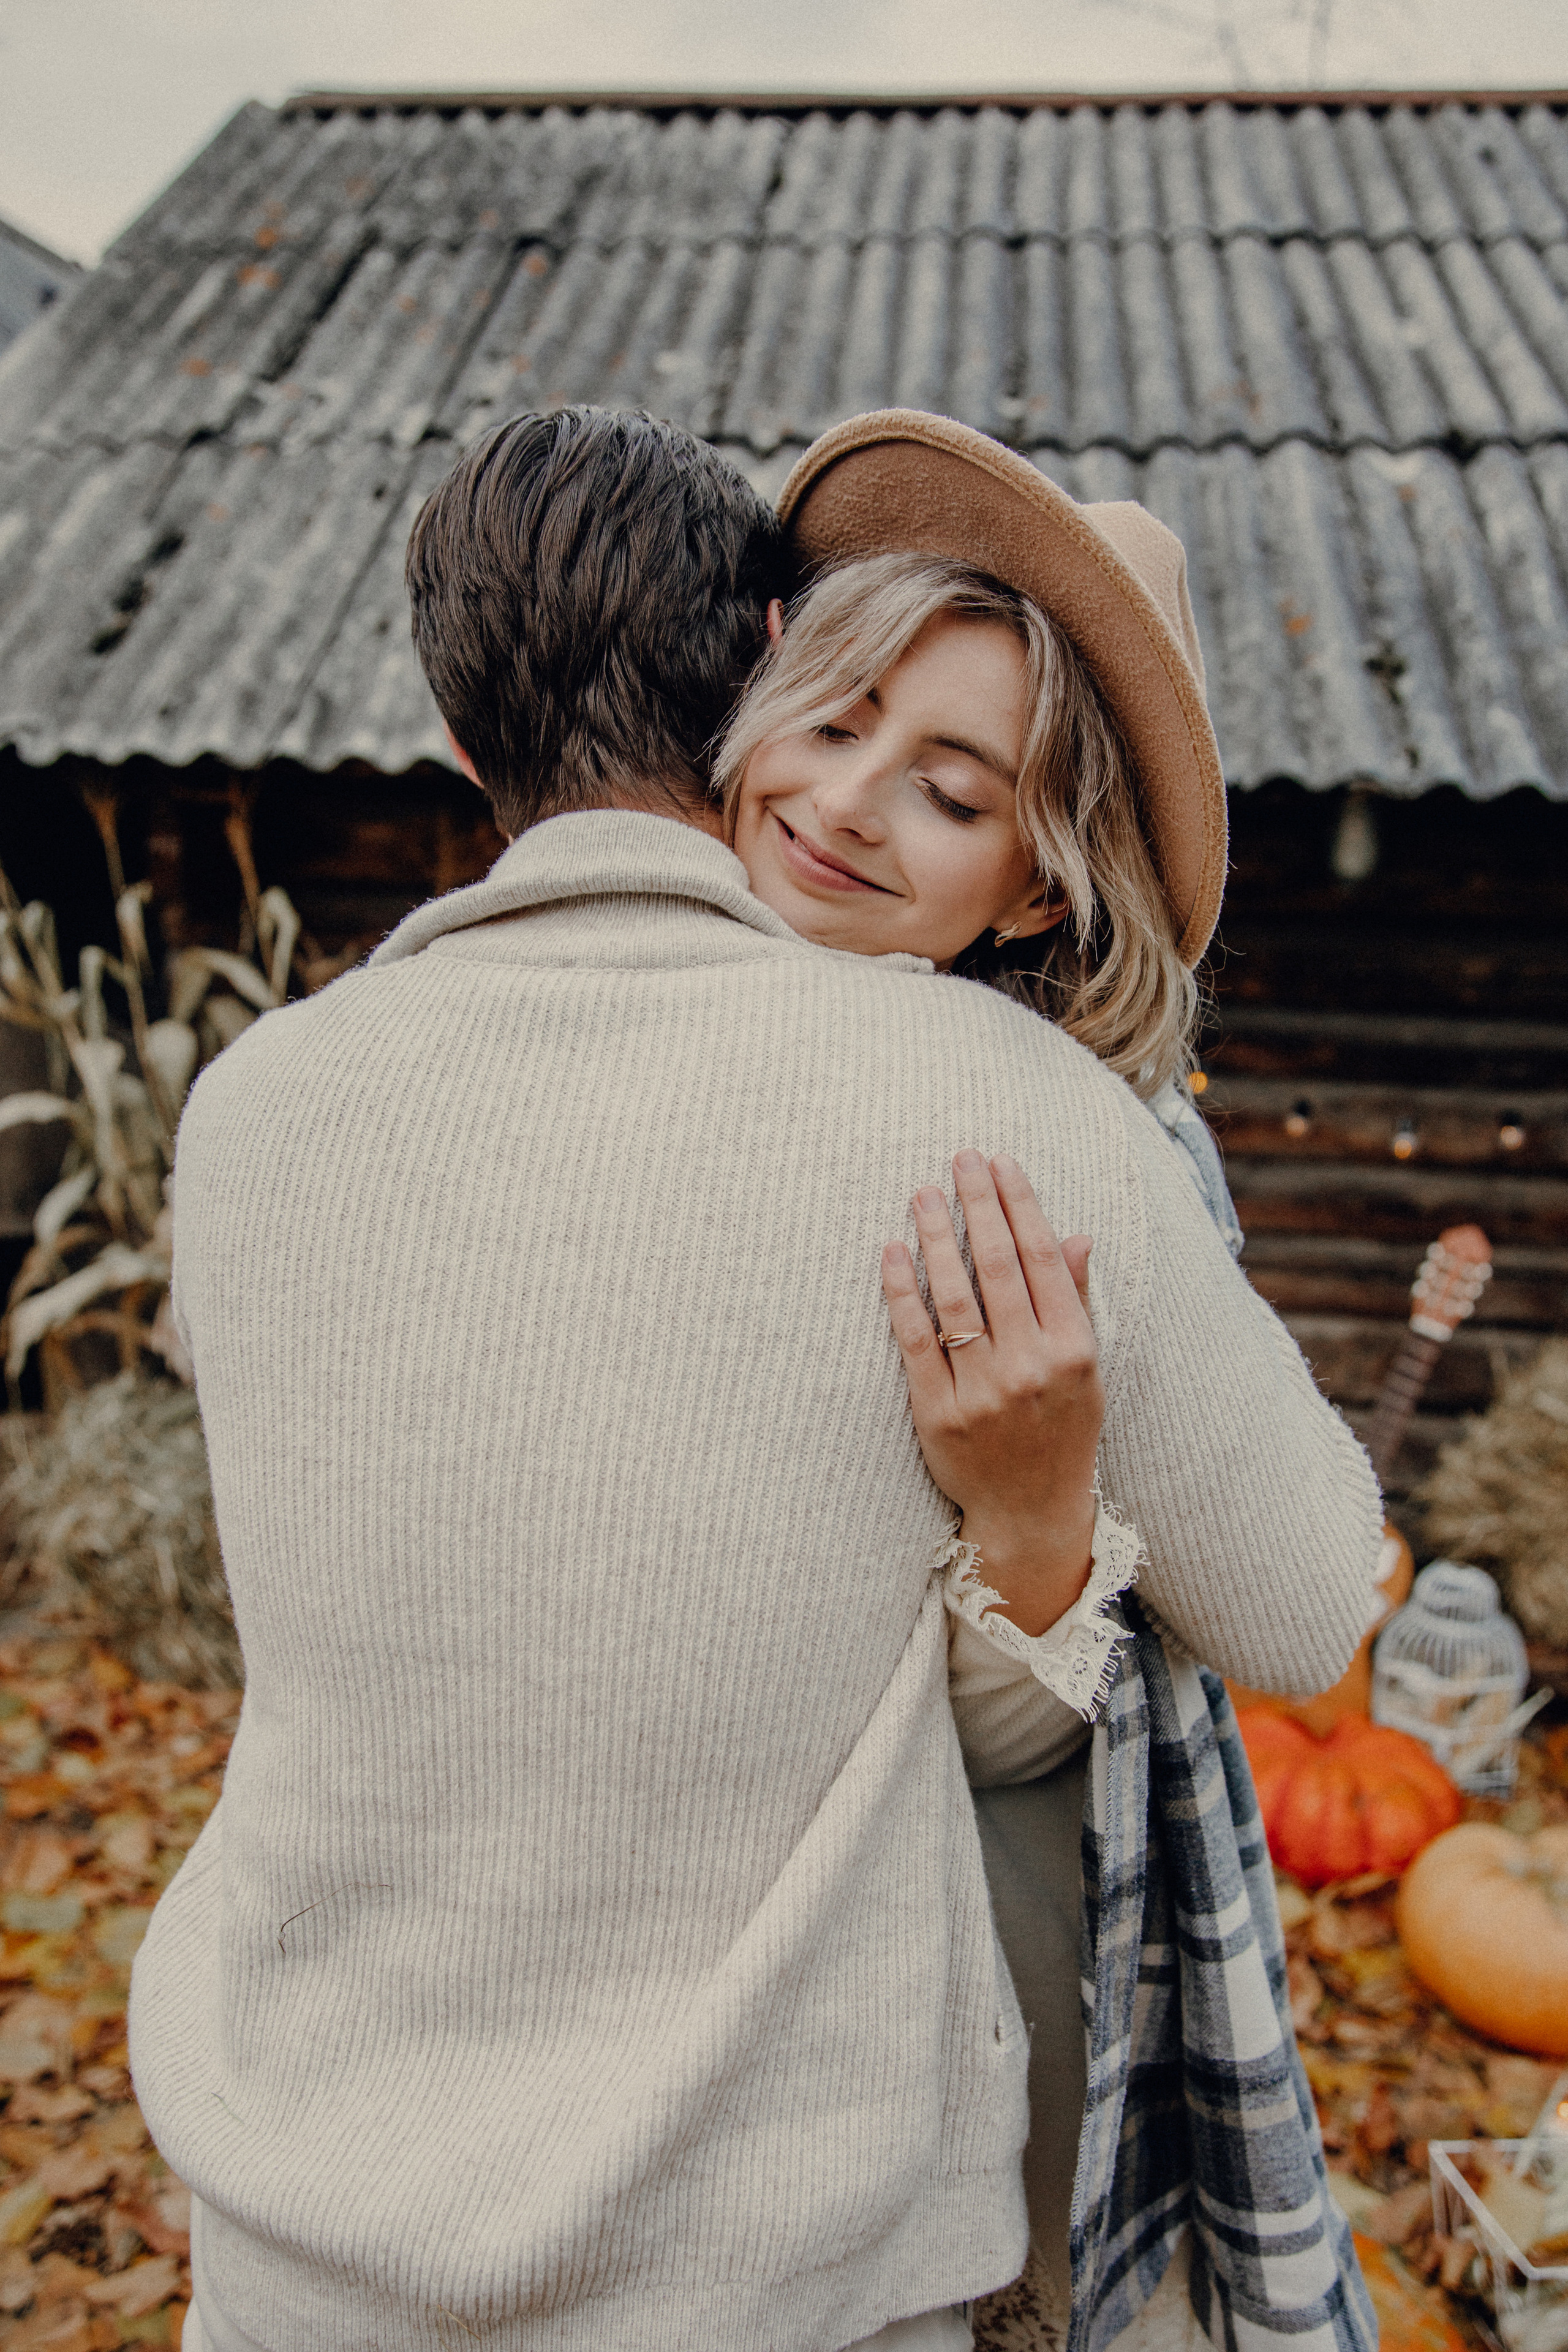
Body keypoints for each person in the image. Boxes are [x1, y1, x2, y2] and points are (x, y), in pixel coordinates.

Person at [128, 405, 1379, 2352]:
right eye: (835, 710)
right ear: (745, 692)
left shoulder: (266, 1095)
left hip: (316, 2216)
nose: (848, 801)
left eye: (954, 792)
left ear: (1039, 889)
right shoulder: (1010, 1115)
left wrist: (1036, 1512)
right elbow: (1302, 1597)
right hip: (766, 2248)